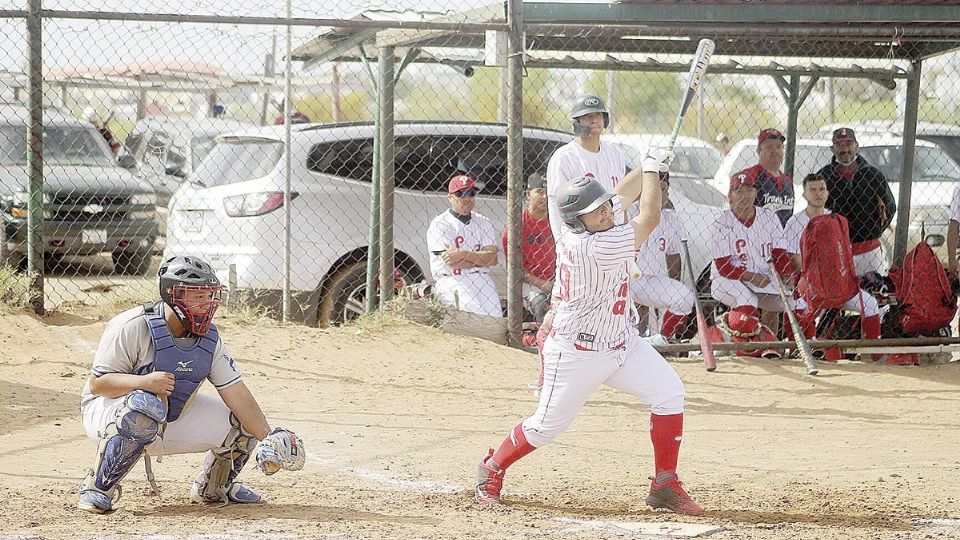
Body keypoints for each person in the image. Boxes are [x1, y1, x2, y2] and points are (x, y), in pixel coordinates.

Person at [474, 149, 704, 516]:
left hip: (620, 340)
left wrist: (646, 162)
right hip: (577, 351)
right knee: (546, 427)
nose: (608, 211)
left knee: (669, 393)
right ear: (579, 221)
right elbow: (650, 215)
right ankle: (492, 467)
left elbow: (623, 194)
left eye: (605, 207)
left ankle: (664, 483)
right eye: (598, 210)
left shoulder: (595, 225)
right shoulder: (595, 245)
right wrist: (652, 172)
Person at [78, 256, 304, 514]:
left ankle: (214, 487)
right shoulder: (131, 325)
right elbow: (98, 384)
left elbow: (237, 393)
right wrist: (144, 382)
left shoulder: (210, 339)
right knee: (144, 407)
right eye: (196, 296)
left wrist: (270, 437)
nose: (205, 304)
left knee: (241, 420)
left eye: (209, 296)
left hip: (170, 417)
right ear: (172, 295)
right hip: (107, 415)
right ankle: (98, 488)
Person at [783, 174, 882, 344]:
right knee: (801, 310)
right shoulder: (796, 222)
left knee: (871, 305)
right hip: (811, 284)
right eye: (812, 190)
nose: (818, 194)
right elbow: (795, 259)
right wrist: (818, 276)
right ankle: (803, 348)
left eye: (821, 189)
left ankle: (872, 353)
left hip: (838, 283)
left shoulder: (835, 219)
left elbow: (844, 254)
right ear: (804, 194)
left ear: (828, 193)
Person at [710, 168, 792, 343]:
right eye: (738, 190)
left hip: (764, 278)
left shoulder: (768, 217)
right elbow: (723, 267)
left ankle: (794, 347)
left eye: (749, 190)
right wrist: (751, 276)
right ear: (730, 196)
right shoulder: (721, 223)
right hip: (726, 280)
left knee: (797, 304)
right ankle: (747, 346)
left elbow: (780, 254)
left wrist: (787, 276)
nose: (744, 195)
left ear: (756, 193)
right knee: (747, 298)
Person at [815, 127, 896, 277]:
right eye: (839, 145)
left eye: (849, 144)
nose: (845, 149)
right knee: (841, 297)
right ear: (833, 149)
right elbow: (815, 212)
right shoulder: (823, 176)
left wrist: (873, 230)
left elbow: (890, 207)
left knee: (873, 295)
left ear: (857, 147)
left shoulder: (873, 174)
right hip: (836, 251)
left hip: (869, 251)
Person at [628, 171, 694, 341]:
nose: (661, 195)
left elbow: (673, 258)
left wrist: (672, 285)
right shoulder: (626, 214)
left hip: (650, 281)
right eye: (657, 189)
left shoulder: (671, 221)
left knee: (684, 296)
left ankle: (663, 340)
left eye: (665, 190)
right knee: (634, 329)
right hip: (622, 280)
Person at [427, 174, 501, 317]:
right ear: (450, 197)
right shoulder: (440, 223)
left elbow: (493, 259)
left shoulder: (483, 222)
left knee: (496, 319)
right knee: (474, 317)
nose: (467, 198)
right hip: (452, 279)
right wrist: (480, 258)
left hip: (482, 280)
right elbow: (451, 262)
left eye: (471, 193)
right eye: (460, 193)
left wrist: (461, 254)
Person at [502, 172, 554, 322]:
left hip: (556, 279)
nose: (544, 197)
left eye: (548, 193)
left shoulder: (557, 222)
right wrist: (543, 284)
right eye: (539, 192)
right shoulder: (516, 226)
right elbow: (515, 269)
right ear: (528, 194)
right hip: (529, 282)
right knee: (541, 305)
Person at [740, 128, 794, 227]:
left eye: (778, 147)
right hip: (757, 236)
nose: (775, 151)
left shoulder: (787, 180)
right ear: (758, 151)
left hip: (782, 238)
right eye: (769, 147)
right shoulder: (750, 176)